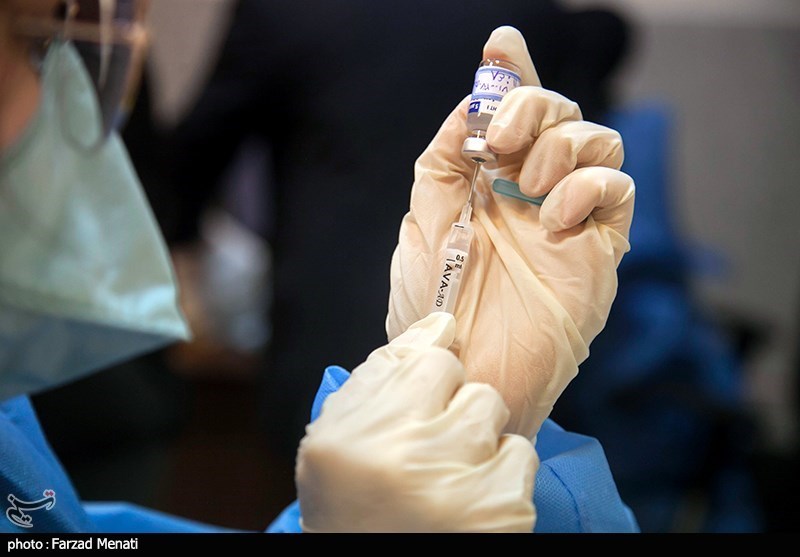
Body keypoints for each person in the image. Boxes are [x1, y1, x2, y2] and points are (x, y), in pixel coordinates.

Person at [0, 0, 636, 533]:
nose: (66, 97)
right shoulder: (536, 11)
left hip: (325, 345)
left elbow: (191, 167)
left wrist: (488, 404)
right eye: (38, 45)